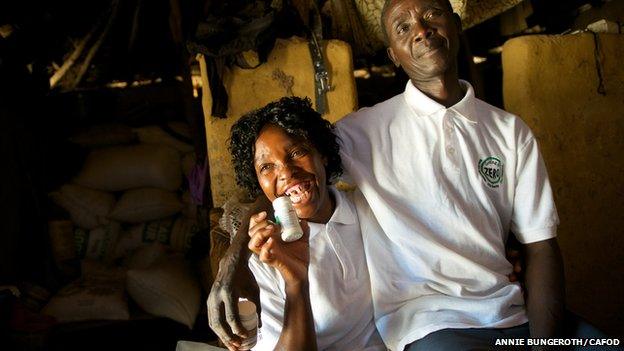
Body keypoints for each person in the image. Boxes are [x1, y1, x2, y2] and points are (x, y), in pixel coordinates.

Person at [208, 0, 565, 349]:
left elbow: (541, 244)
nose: (422, 30)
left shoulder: (509, 131)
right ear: (393, 54)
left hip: (510, 312)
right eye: (403, 27)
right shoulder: (365, 131)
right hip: (431, 322)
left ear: (455, 25)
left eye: (432, 14)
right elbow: (288, 176)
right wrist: (232, 262)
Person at [225, 96, 385, 350]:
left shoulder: (370, 211)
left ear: (321, 154)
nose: (286, 172)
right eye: (267, 167)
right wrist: (295, 281)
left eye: (297, 152)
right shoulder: (268, 253)